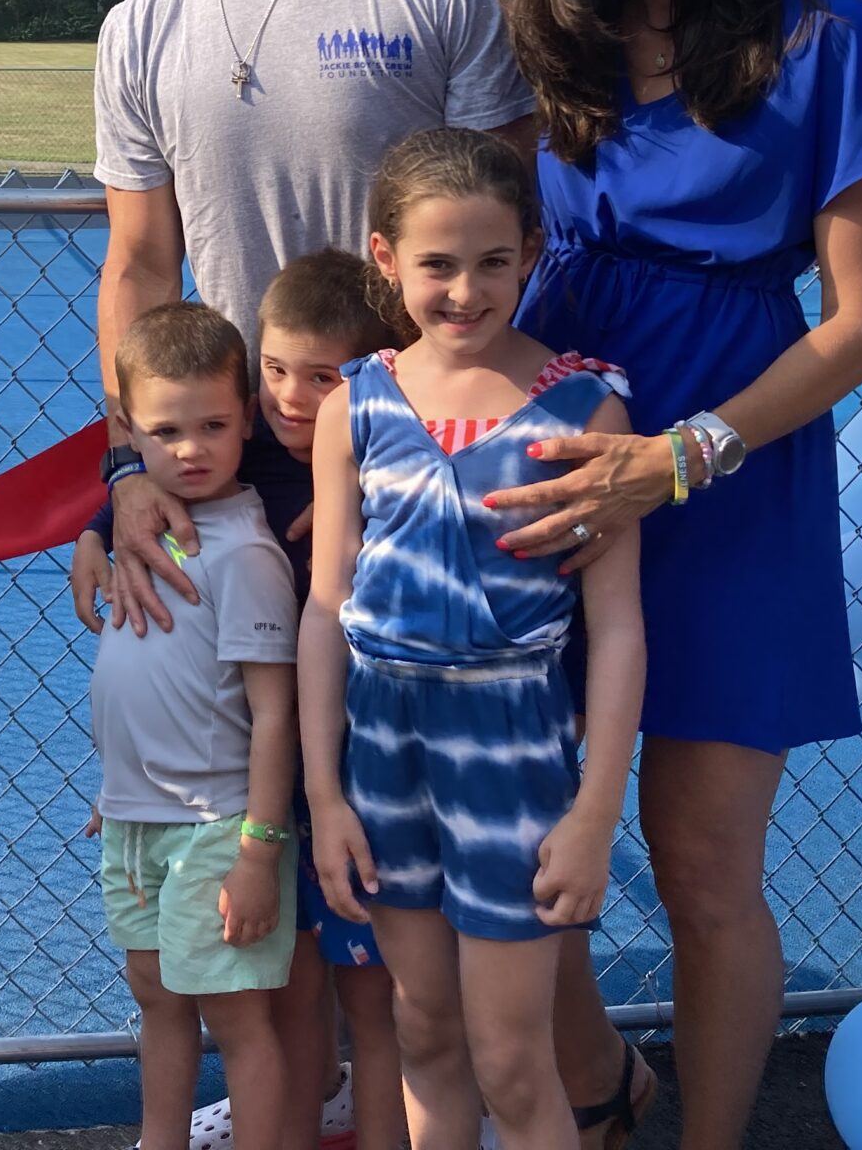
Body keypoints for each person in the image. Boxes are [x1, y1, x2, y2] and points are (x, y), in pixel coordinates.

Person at [87, 0, 537, 1144]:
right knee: (256, 829)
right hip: (243, 467)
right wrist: (126, 468)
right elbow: (140, 262)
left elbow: (502, 218)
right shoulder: (141, 23)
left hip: (419, 471)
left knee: (444, 854)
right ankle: (306, 1106)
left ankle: (563, 1088)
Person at [488, 0, 862, 1150]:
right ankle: (606, 1091)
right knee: (525, 840)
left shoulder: (820, 28)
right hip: (555, 472)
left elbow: (859, 322)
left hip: (729, 479)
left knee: (703, 865)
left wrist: (680, 458)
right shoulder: (549, 31)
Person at [302, 129, 646, 1150]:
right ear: (384, 259)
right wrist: (325, 798)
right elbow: (327, 605)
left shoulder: (587, 408)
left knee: (509, 1058)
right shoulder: (353, 406)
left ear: (532, 254)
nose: (464, 290)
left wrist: (595, 809)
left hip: (510, 751)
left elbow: (618, 625)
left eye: (493, 261)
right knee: (423, 1032)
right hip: (383, 750)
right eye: (437, 264)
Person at [76, 251, 405, 1150]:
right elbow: (161, 436)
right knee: (245, 995)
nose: (294, 397)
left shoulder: (283, 520)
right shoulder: (200, 481)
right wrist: (104, 512)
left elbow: (280, 706)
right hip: (196, 799)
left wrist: (261, 839)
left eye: (323, 377)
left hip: (312, 787)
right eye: (277, 373)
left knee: (353, 1005)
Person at [89, 301, 302, 1150]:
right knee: (156, 995)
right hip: (137, 815)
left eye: (214, 424)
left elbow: (273, 710)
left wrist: (259, 845)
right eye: (167, 430)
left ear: (246, 419)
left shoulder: (246, 554)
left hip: (217, 825)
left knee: (239, 1020)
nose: (191, 448)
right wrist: (121, 789)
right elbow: (141, 683)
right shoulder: (142, 536)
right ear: (127, 434)